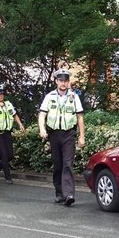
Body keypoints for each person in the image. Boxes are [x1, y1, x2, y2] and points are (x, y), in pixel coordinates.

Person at [38, 69, 85, 206]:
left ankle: (69, 194)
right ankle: (59, 192)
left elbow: (80, 117)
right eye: (61, 81)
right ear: (56, 81)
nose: (63, 83)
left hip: (69, 134)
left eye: (65, 81)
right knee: (58, 165)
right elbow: (42, 115)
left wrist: (82, 136)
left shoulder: (74, 97)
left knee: (67, 164)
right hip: (54, 134)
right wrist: (42, 129)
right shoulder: (50, 96)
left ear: (68, 82)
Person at [0, 84, 25, 183]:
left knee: (10, 155)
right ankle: (8, 177)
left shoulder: (8, 104)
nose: (1, 96)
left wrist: (20, 124)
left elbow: (14, 115)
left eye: (2, 94)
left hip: (7, 133)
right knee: (4, 155)